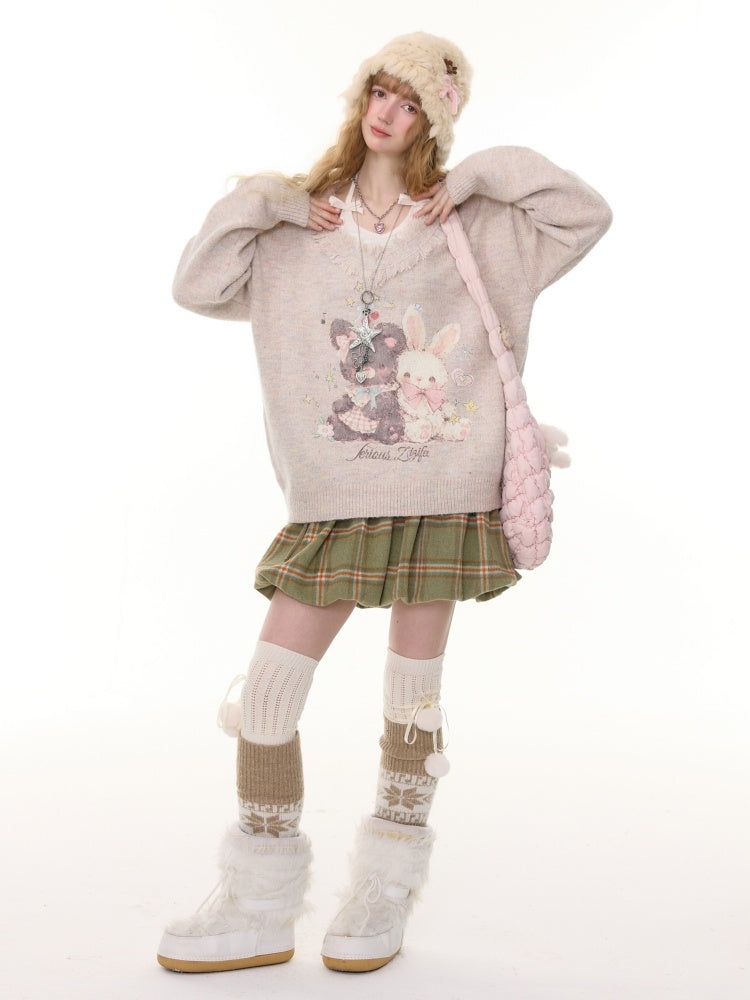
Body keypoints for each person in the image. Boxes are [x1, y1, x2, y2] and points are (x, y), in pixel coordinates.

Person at [156, 31, 612, 976]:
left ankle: (385, 887)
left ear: (435, 120)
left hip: (443, 493)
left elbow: (584, 213)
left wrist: (478, 177)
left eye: (413, 102)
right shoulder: (297, 231)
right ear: (359, 96)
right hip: (331, 501)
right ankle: (259, 897)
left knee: (413, 694)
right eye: (380, 92)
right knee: (269, 693)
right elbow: (196, 285)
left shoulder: (472, 226)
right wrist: (269, 199)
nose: (389, 114)